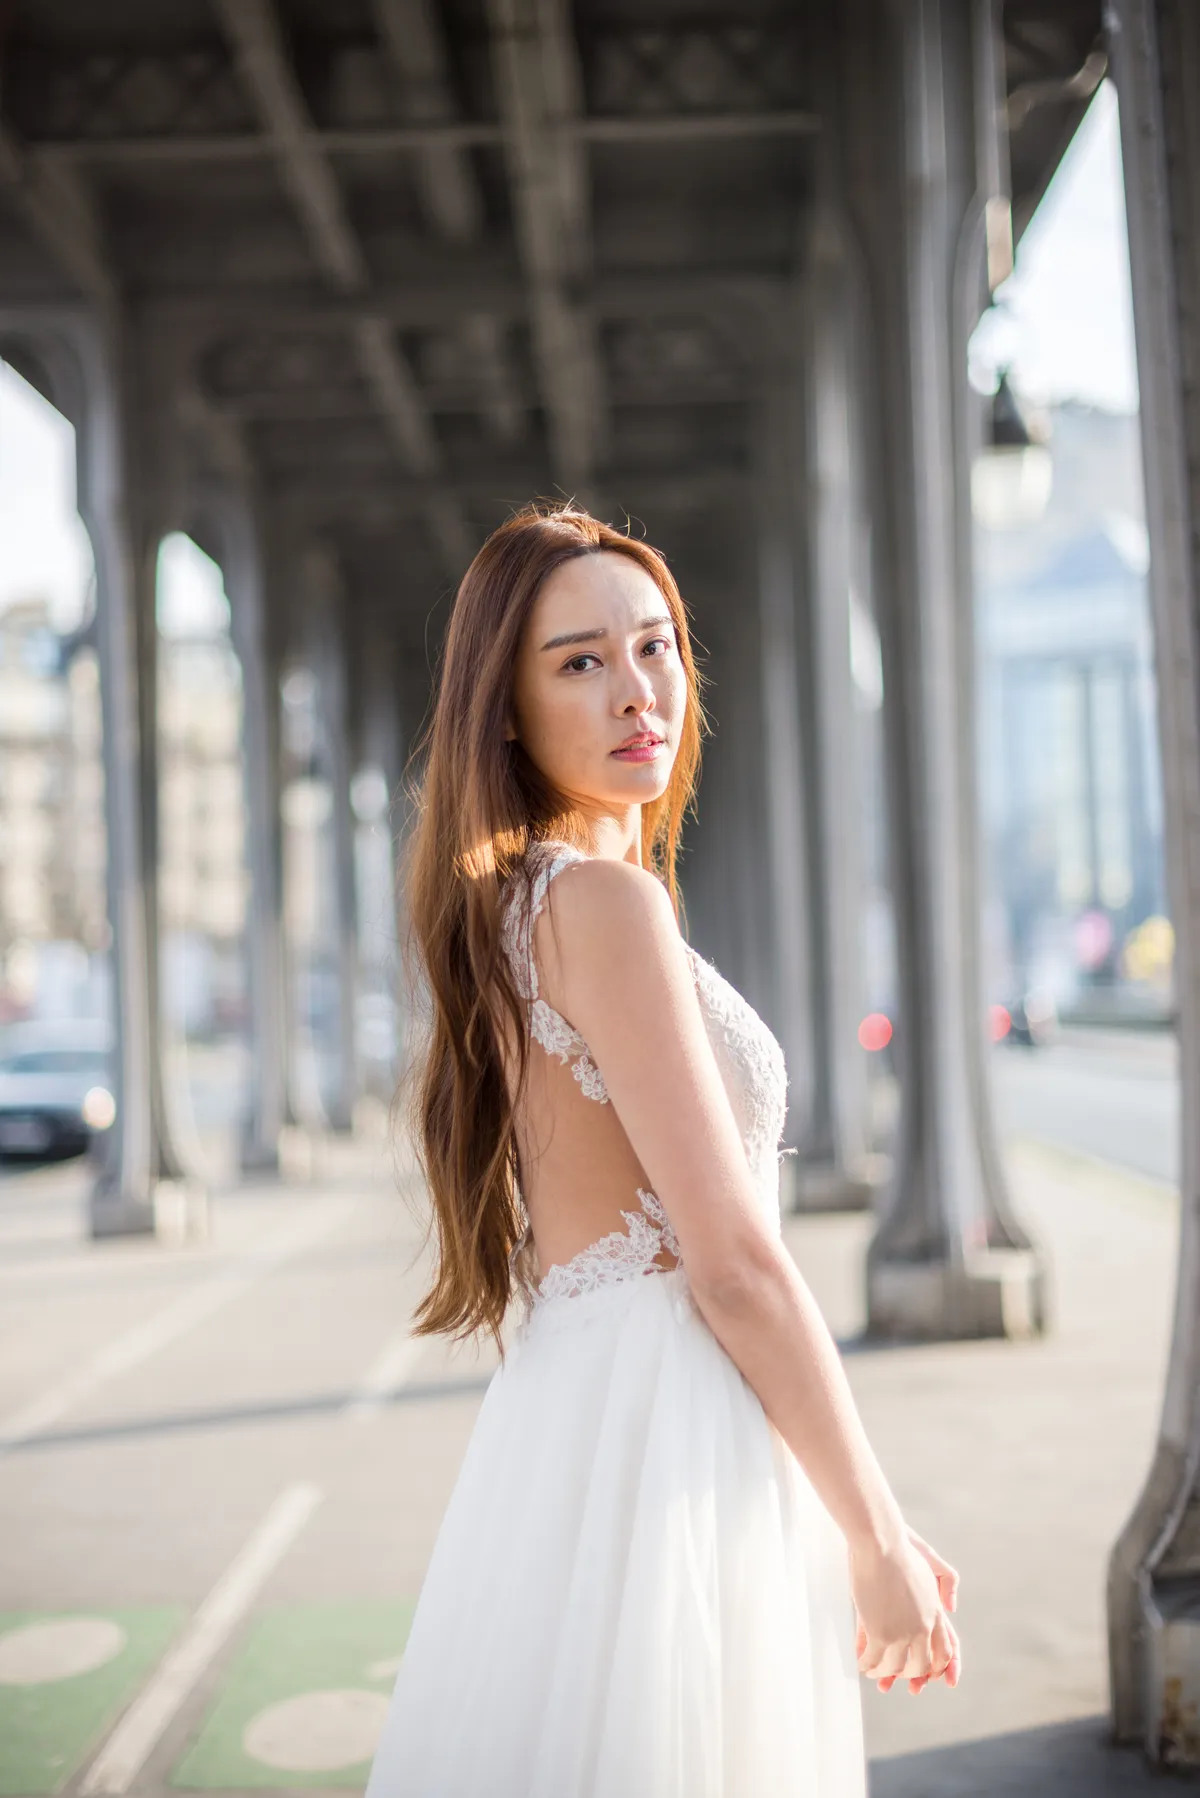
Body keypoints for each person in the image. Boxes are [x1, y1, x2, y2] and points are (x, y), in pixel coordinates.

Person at [365, 502, 960, 1796]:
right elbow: (733, 1256)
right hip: (668, 1419)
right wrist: (876, 1531)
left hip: (587, 1418)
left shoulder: (526, 902)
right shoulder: (602, 901)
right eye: (578, 661)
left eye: (654, 646)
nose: (637, 689)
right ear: (505, 711)